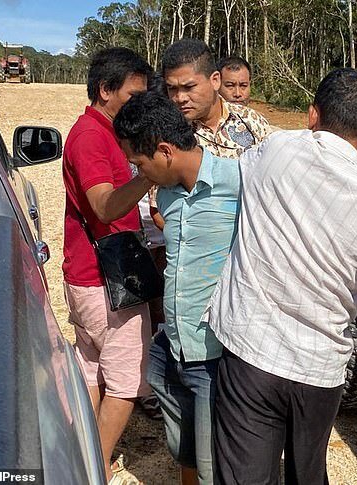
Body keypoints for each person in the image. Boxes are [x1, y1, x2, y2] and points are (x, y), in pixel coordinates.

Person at [208, 67, 357, 484]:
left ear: (312, 114)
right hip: (319, 369)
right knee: (308, 473)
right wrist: (346, 289)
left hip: (251, 349)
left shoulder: (274, 149)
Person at [114, 91, 240, 485]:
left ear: (165, 152)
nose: (139, 174)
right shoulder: (166, 192)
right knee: (184, 452)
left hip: (213, 357)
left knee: (213, 467)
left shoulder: (240, 185)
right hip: (171, 348)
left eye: (140, 164)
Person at [61, 47, 152, 485]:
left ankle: (86, 451)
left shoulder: (95, 131)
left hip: (87, 276)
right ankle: (94, 467)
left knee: (93, 366)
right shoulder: (92, 137)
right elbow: (101, 202)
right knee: (126, 381)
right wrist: (149, 175)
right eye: (134, 96)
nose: (139, 104)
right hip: (105, 282)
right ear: (105, 90)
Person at [162, 38, 270, 159]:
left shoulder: (253, 122)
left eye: (189, 87)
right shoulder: (167, 133)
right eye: (172, 88)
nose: (180, 98)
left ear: (215, 80)